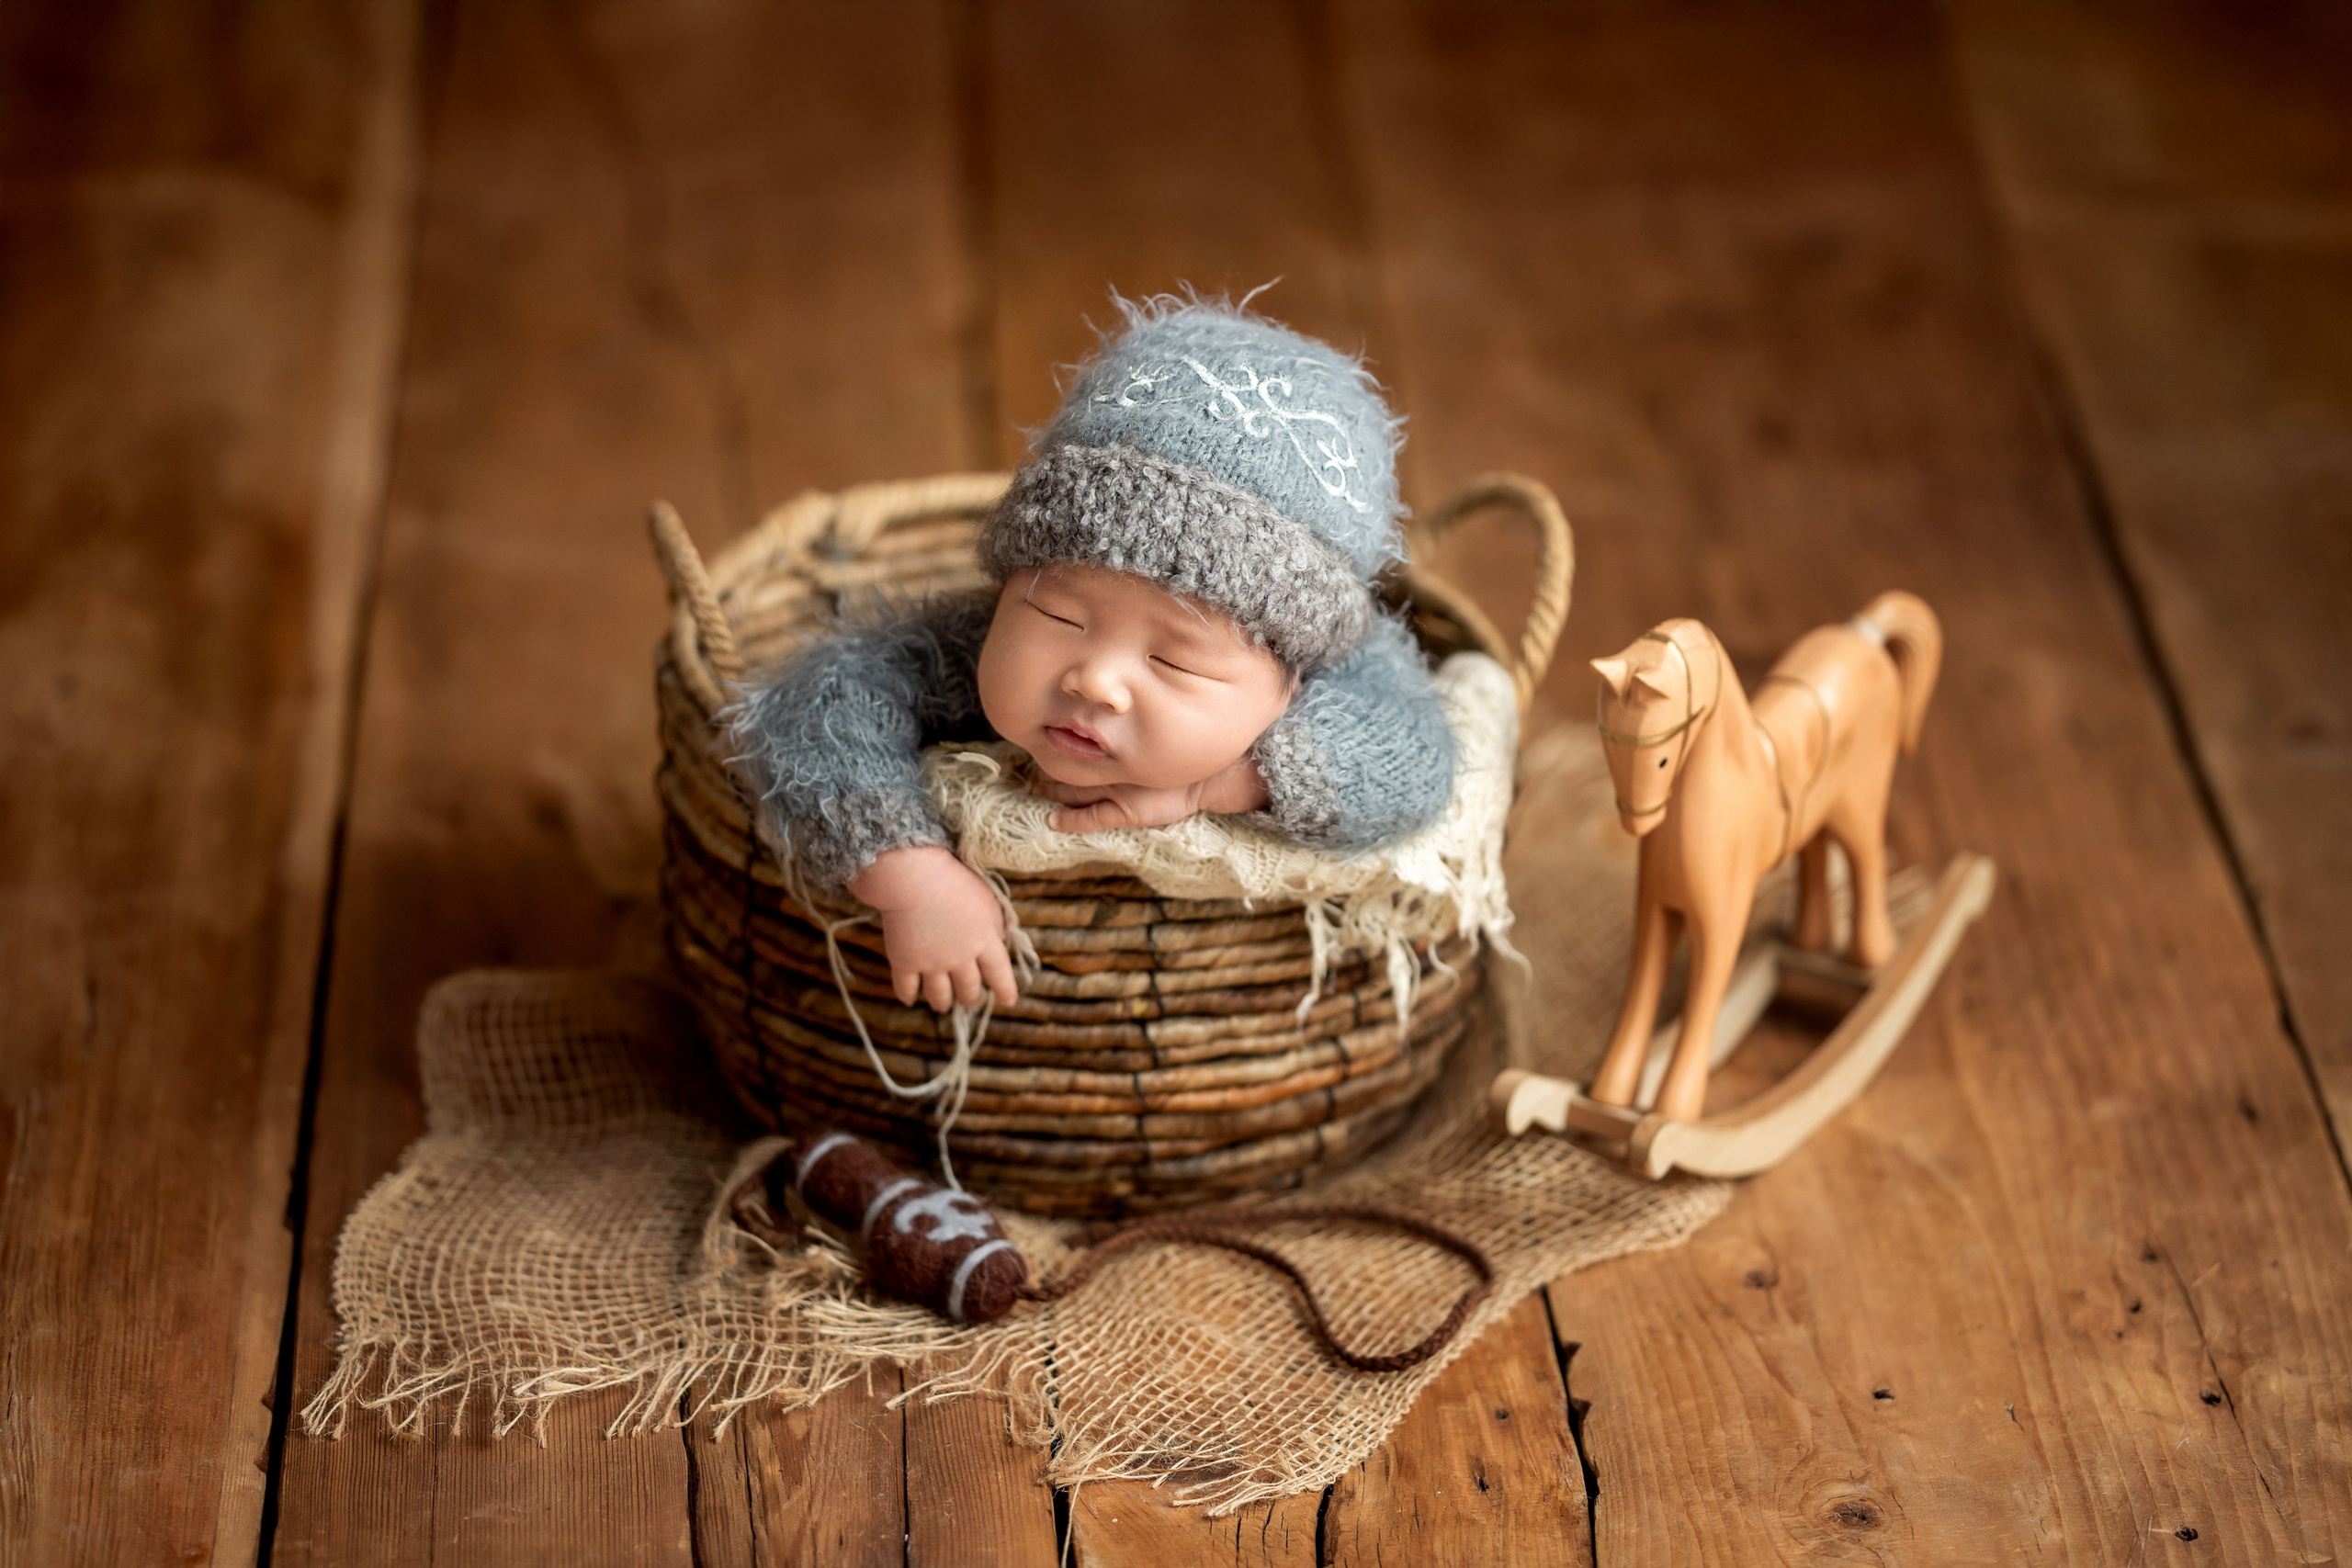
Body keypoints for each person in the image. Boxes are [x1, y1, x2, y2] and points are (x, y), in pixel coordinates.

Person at [729, 296, 1454, 1012]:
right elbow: (824, 696)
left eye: (1176, 662)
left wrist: (1220, 785)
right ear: (1010, 583)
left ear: (1291, 685)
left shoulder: (1342, 670)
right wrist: (908, 871)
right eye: (1056, 613)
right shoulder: (979, 637)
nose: (1097, 679)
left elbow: (1414, 762)